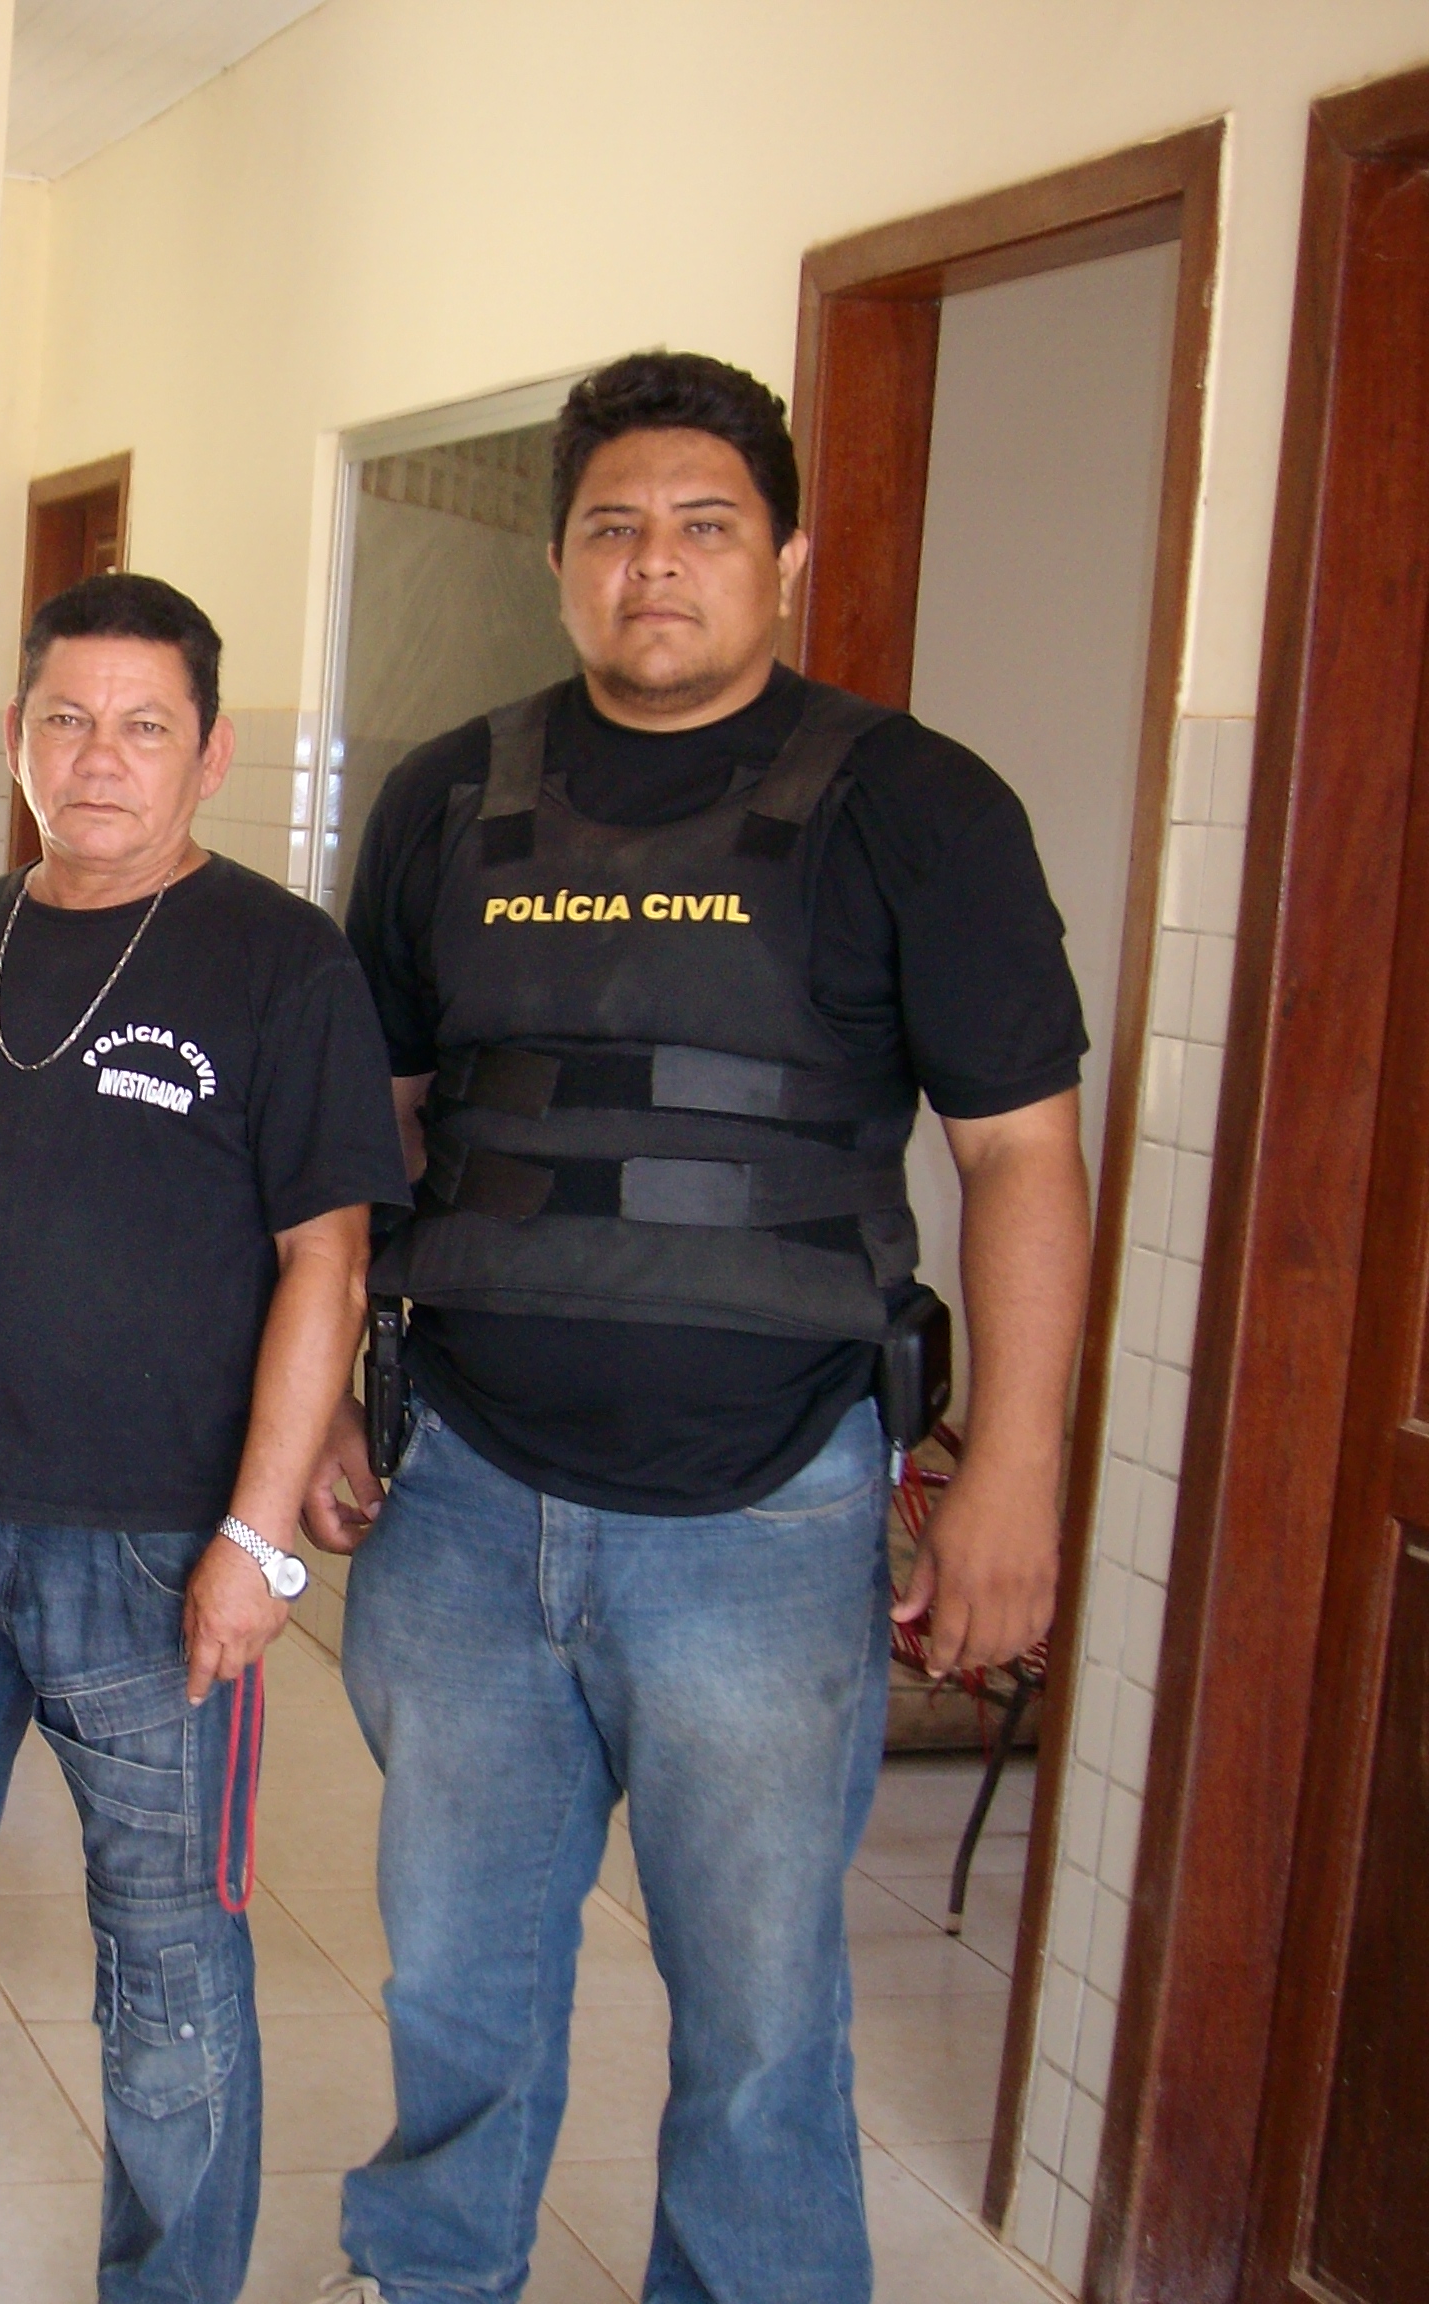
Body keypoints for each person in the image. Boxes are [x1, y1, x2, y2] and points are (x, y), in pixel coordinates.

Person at [304, 350, 1093, 2304]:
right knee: (458, 1996)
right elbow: (366, 1139)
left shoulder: (916, 806)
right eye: (614, 528)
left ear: (787, 557)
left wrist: (1014, 1475)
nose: (654, 563)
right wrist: (319, 1400)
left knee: (758, 2028)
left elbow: (1020, 1158)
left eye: (704, 525)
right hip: (464, 1496)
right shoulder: (446, 796)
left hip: (766, 1517)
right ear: (561, 562)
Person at [0, 573, 409, 2304]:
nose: (99, 759)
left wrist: (260, 1541)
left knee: (167, 1971)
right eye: (67, 720)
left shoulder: (283, 962)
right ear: (17, 737)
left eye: (144, 726)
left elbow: (329, 1262)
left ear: (210, 756)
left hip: (162, 1556)